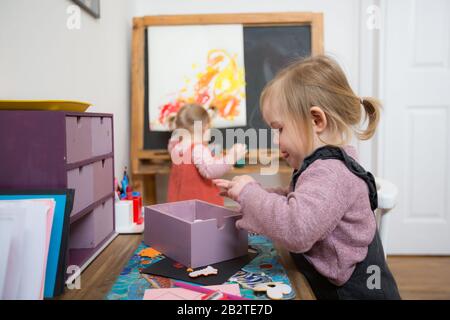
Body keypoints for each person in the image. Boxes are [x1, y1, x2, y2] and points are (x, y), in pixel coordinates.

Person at [214, 55, 401, 299]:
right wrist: (252, 194)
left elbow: (297, 229)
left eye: (279, 129)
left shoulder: (330, 173)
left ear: (316, 120)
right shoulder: (324, 166)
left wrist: (250, 194)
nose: (275, 139)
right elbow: (297, 201)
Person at [167, 104, 246, 206]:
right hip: (201, 208)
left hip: (179, 206)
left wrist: (217, 160)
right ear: (205, 128)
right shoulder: (198, 149)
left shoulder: (175, 146)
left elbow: (198, 164)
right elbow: (210, 171)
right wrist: (231, 157)